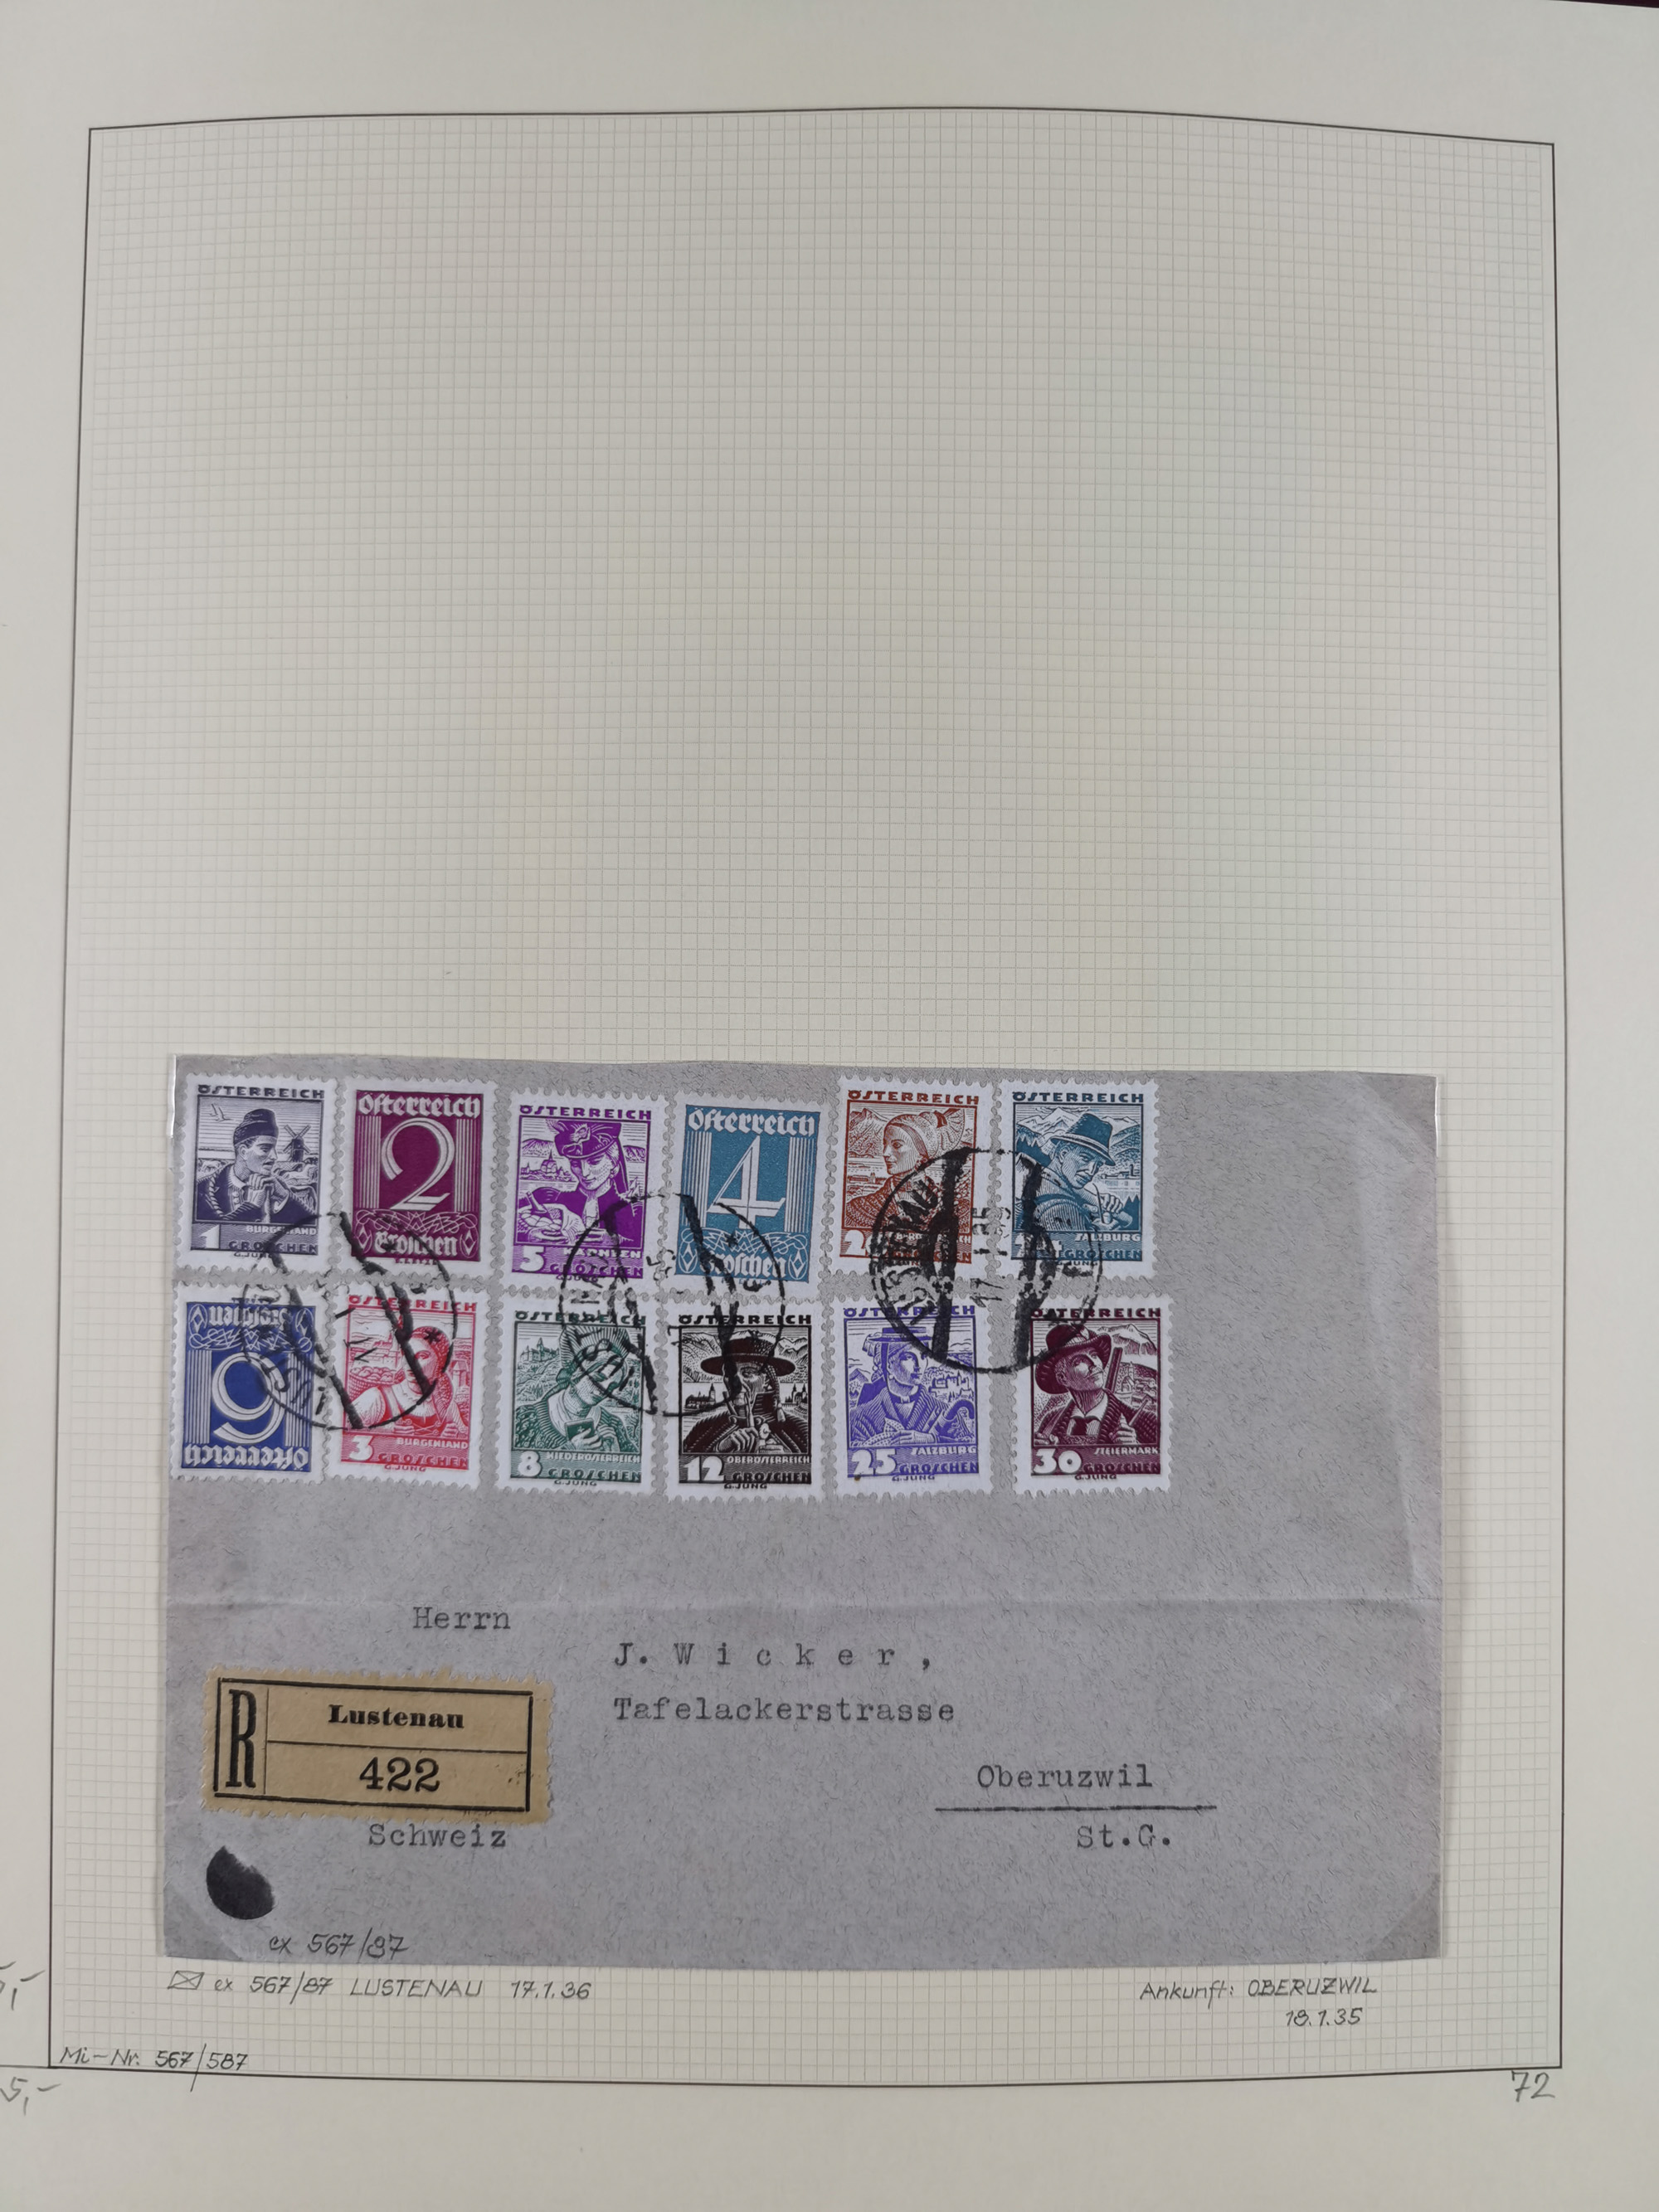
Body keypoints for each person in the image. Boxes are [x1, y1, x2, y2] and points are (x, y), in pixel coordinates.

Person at [1014, 1110, 1138, 1249]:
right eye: (1085, 1158)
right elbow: (1076, 1256)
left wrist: (1097, 1205)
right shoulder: (1061, 1207)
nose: (1091, 1171)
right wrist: (1102, 1236)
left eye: (1098, 1165)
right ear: (1063, 1154)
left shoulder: (1041, 1182)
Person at [517, 1119, 640, 1255]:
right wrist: (529, 1236)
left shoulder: (632, 1210)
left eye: (594, 1162)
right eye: (575, 1164)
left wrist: (618, 1241)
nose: (585, 1173)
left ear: (614, 1166)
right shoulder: (554, 1200)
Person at [682, 1334, 810, 1461]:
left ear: (767, 1381)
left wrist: (786, 1462)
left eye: (748, 1373)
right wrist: (719, 1450)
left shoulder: (802, 1432)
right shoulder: (703, 1428)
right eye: (730, 1373)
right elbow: (683, 1465)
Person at [1033, 1324, 1160, 1451]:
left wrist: (1134, 1449)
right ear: (1062, 1378)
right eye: (1079, 1361)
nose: (1094, 1364)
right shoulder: (1050, 1423)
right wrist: (1041, 1452)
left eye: (1094, 1355)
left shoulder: (1146, 1422)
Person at [194, 1106, 315, 1228]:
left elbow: (313, 1228)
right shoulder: (202, 1190)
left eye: (274, 1149)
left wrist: (285, 1198)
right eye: (265, 1149)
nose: (274, 1156)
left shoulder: (279, 1186)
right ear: (243, 1152)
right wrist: (251, 1207)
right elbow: (203, 1234)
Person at [849, 1333, 975, 1447]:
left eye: (923, 1356)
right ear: (889, 1365)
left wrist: (932, 1440)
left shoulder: (945, 1412)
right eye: (908, 1357)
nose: (919, 1365)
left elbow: (969, 1448)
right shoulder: (860, 1417)